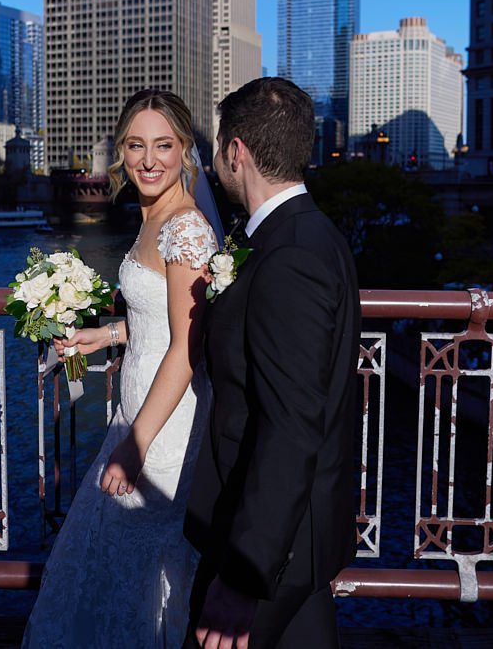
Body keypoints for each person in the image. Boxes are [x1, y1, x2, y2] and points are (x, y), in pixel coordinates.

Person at [23, 89, 221, 648]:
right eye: (136, 145)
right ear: (120, 151)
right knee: (114, 566)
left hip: (162, 425)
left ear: (186, 151)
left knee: (142, 570)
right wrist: (104, 335)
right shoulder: (152, 216)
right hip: (138, 409)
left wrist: (135, 443)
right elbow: (161, 318)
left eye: (163, 145)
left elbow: (186, 346)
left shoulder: (186, 230)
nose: (149, 159)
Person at [184, 77, 361, 649]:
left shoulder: (289, 258)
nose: (213, 162)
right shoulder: (309, 235)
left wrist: (243, 577)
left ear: (237, 151)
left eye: (216, 148)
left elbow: (290, 426)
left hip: (269, 545)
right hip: (302, 534)